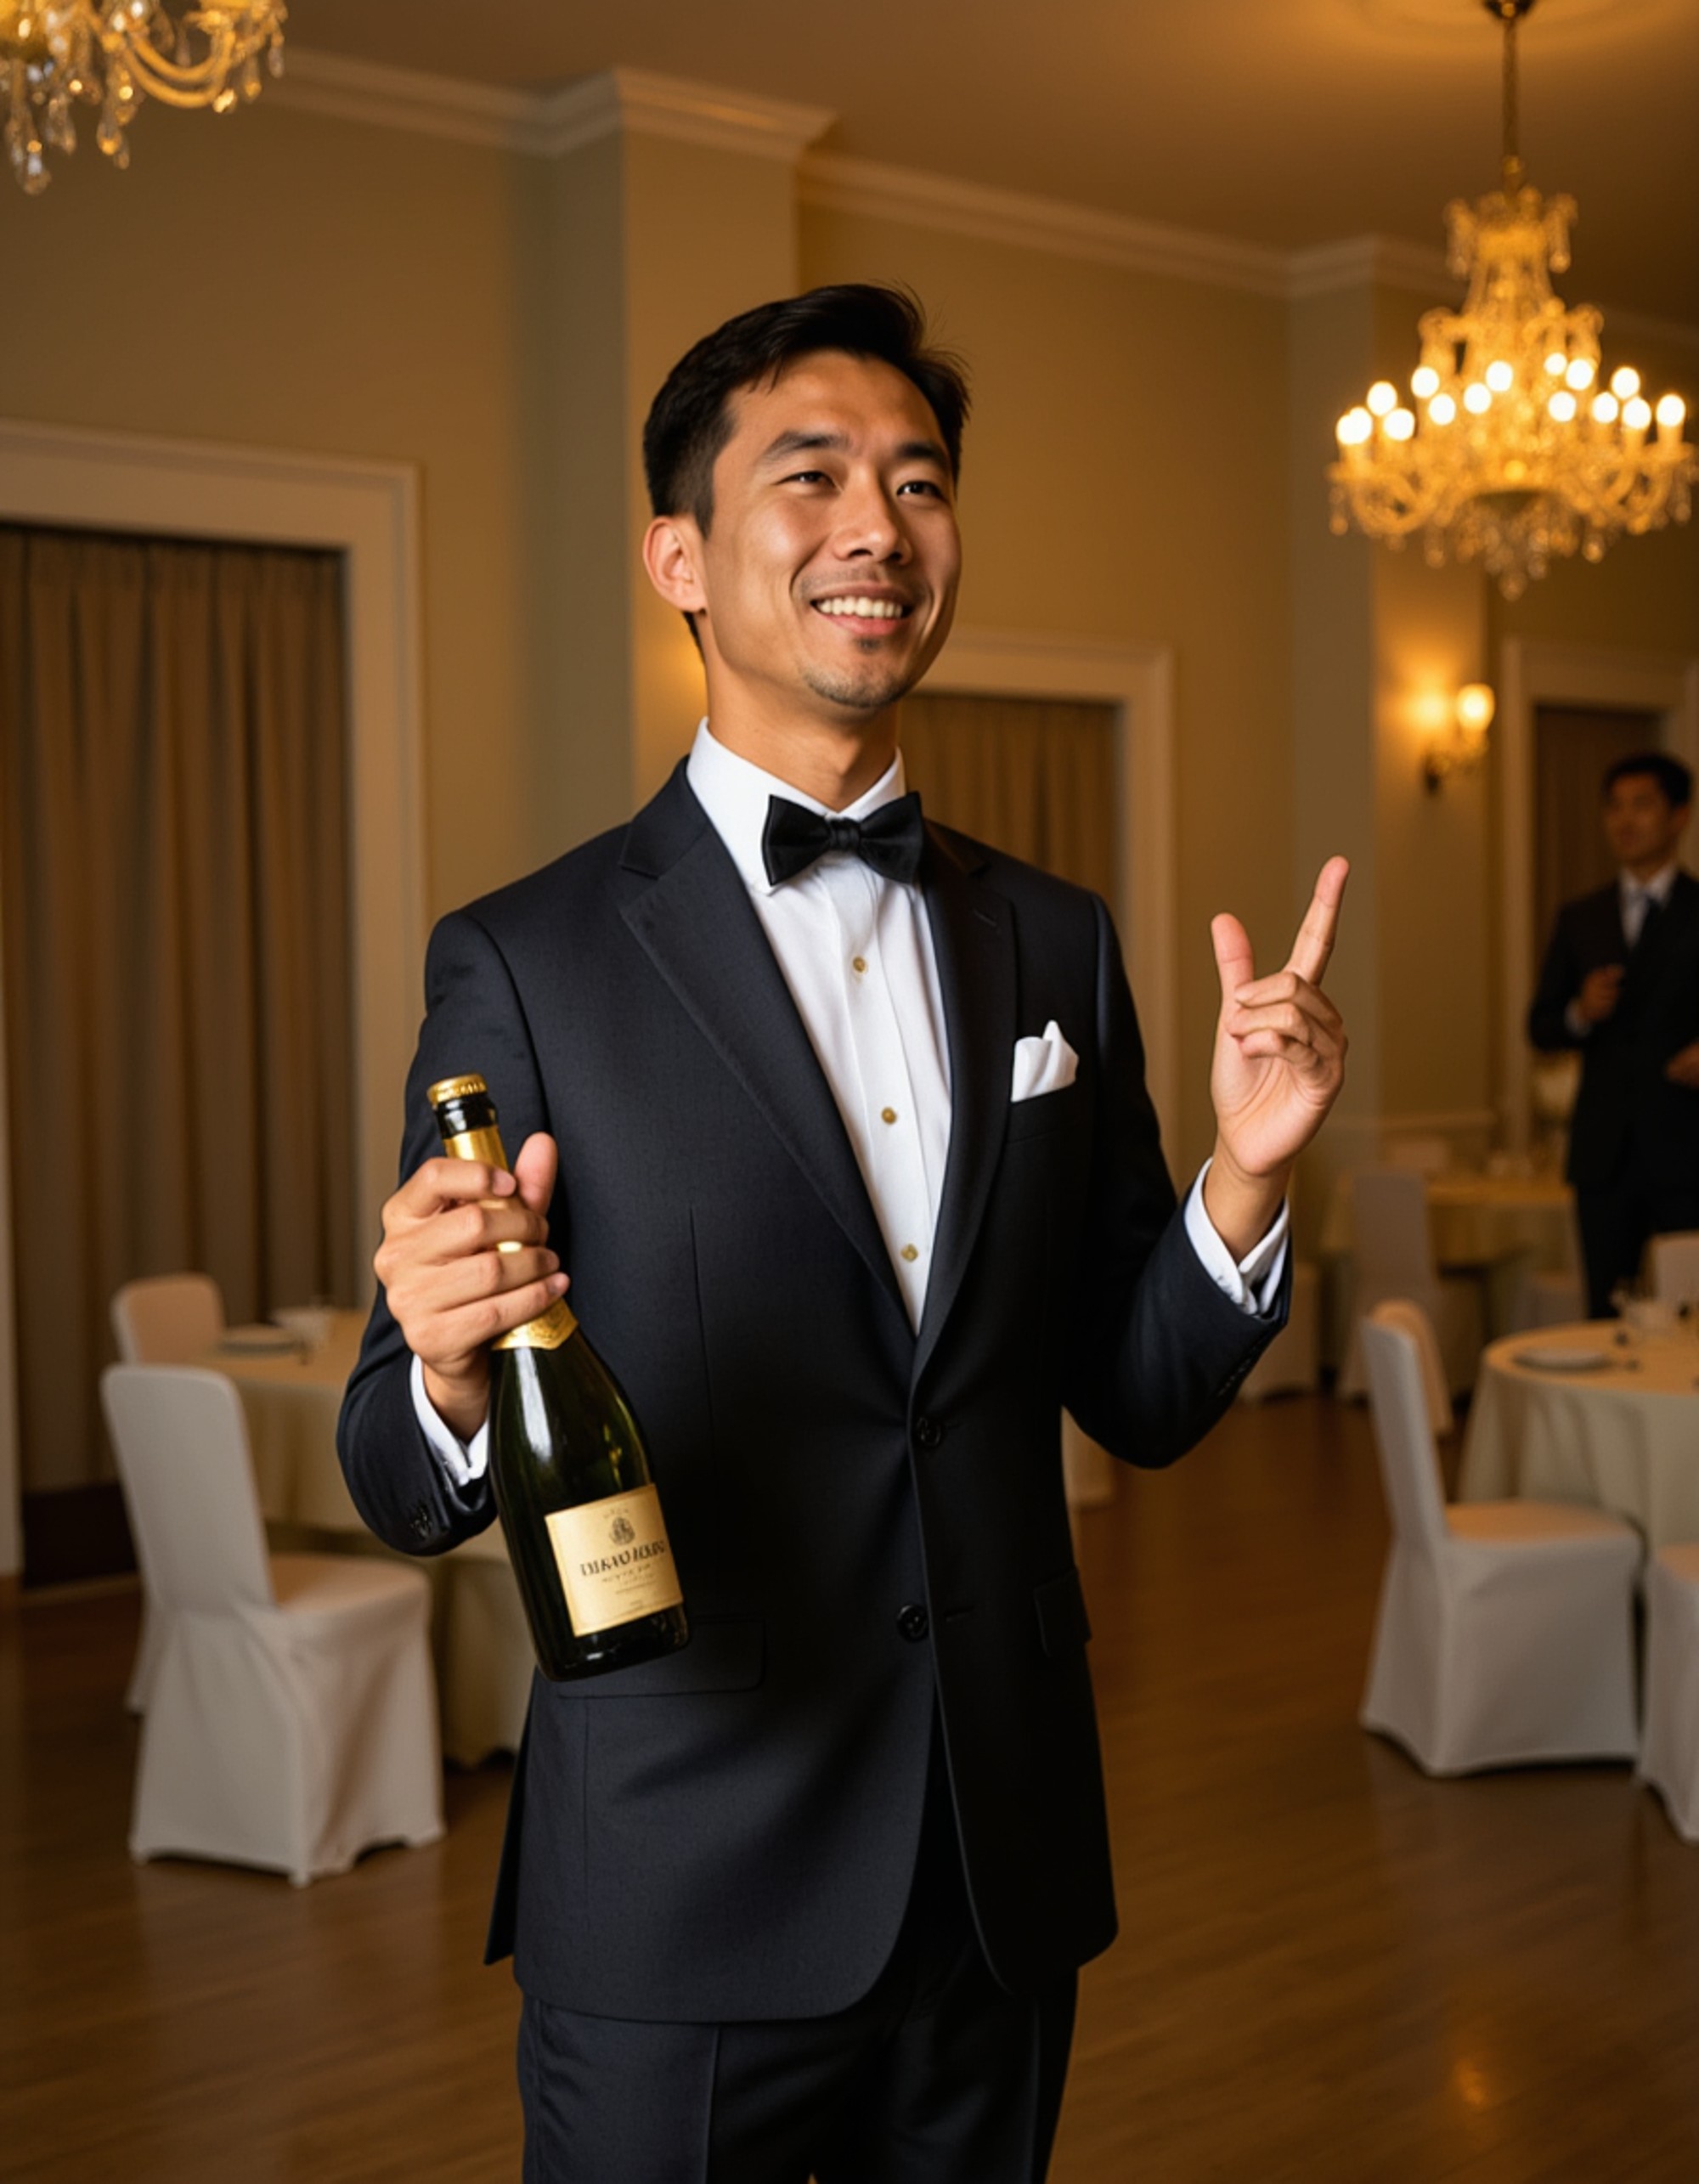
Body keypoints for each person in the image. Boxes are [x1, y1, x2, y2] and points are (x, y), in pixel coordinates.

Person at [337, 284, 1348, 2182]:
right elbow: (402, 1469)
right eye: (809, 477)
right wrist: (453, 1368)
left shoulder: (1055, 938)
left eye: (918, 479)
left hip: (995, 1857)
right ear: (681, 559)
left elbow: (1126, 1391)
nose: (878, 524)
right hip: (678, 1880)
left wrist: (1243, 1181)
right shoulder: (528, 958)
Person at [1528, 749, 1699, 1318]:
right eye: (1615, 807)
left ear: (1678, 815)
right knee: (1605, 1310)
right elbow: (1541, 1023)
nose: (1625, 820)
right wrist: (1580, 1010)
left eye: (1642, 805)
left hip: (1686, 1144)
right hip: (1604, 1149)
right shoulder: (1583, 916)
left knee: (1690, 1309)